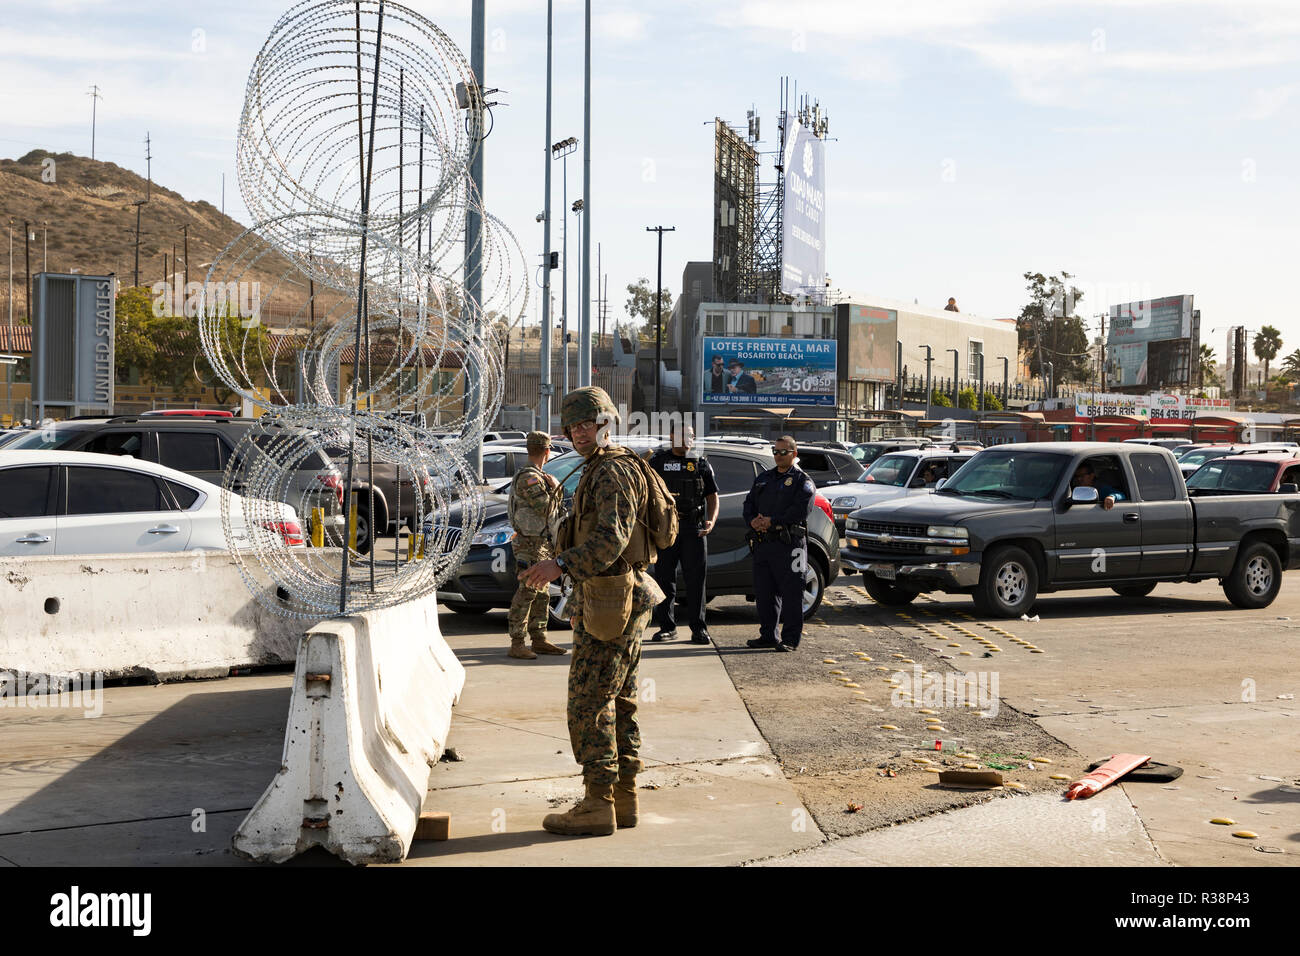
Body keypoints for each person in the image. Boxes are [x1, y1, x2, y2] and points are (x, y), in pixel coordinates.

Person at [520, 386, 665, 836]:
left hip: (611, 597)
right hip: (621, 593)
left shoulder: (611, 472)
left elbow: (611, 541)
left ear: (607, 423)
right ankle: (623, 799)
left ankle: (597, 803)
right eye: (574, 426)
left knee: (589, 700)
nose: (580, 432)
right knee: (619, 698)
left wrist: (558, 563)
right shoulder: (611, 464)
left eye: (589, 423)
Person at [648, 424, 719, 644]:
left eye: (690, 436)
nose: (687, 439)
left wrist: (712, 521)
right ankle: (667, 628)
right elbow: (646, 491)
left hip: (693, 529)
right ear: (671, 436)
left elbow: (712, 496)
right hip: (667, 529)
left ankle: (699, 629)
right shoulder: (658, 462)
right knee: (664, 580)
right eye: (682, 435)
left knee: (696, 581)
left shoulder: (700, 462)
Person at [743, 435, 815, 652]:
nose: (778, 456)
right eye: (776, 451)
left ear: (794, 454)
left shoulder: (803, 481)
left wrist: (773, 521)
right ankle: (768, 636)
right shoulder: (764, 478)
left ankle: (791, 639)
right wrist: (753, 521)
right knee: (764, 592)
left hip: (790, 544)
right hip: (764, 543)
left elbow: (800, 510)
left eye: (783, 452)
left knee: (792, 593)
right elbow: (749, 503)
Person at [505, 431, 568, 659]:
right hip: (529, 544)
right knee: (528, 591)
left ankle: (539, 639)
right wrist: (558, 488)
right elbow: (546, 507)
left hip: (541, 543)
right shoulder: (530, 477)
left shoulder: (537, 475)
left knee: (542, 594)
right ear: (547, 451)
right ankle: (517, 642)